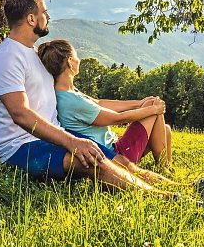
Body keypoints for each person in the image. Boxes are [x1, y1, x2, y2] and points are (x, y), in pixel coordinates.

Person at [0, 0, 204, 208]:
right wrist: (71, 141)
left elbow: (79, 97)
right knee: (91, 160)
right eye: (43, 12)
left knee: (123, 162)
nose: (47, 16)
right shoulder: (6, 57)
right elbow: (20, 114)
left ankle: (191, 189)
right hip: (21, 148)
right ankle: (174, 202)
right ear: (30, 19)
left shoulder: (33, 54)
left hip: (51, 138)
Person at [37, 39, 173, 170]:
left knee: (164, 129)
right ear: (70, 62)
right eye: (76, 56)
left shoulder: (67, 92)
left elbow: (99, 103)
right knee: (154, 108)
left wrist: (139, 103)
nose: (79, 59)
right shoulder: (71, 101)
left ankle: (166, 166)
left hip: (113, 145)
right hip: (116, 154)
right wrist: (154, 109)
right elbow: (118, 119)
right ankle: (164, 168)